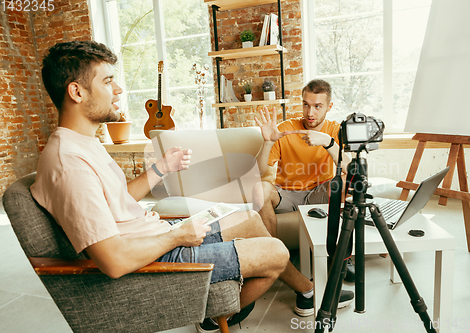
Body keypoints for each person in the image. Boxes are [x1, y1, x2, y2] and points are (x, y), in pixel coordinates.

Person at [30, 40, 308, 332]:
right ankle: (218, 312)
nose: (119, 90)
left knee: (251, 219)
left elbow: (118, 200)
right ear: (76, 91)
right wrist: (177, 237)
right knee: (276, 253)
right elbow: (114, 261)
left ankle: (300, 290)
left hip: (156, 238)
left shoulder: (84, 144)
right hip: (155, 257)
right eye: (108, 81)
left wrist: (161, 168)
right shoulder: (68, 163)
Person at [252, 79, 355, 316]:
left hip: (320, 191)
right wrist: (268, 142)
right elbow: (258, 171)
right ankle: (276, 256)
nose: (310, 112)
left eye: (318, 106)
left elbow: (351, 168)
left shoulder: (334, 130)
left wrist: (328, 143)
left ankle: (342, 256)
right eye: (306, 105)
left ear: (329, 106)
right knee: (259, 188)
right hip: (287, 194)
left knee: (345, 183)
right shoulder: (287, 128)